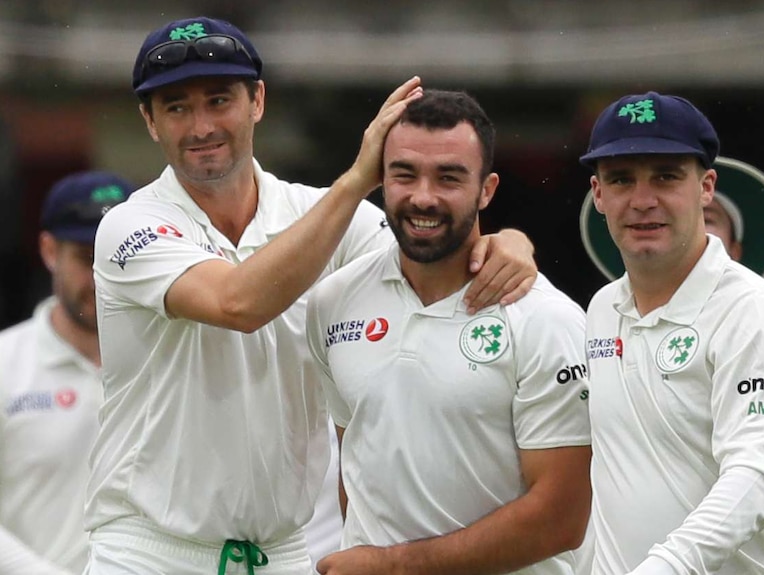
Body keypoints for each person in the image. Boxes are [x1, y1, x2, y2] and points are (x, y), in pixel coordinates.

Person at [84, 16, 538, 575]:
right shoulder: (130, 226)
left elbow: (435, 260)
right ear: (149, 122)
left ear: (257, 102)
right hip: (149, 555)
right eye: (176, 107)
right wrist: (358, 179)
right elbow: (238, 304)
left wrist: (511, 241)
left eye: (219, 100)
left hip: (286, 553)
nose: (200, 125)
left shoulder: (320, 215)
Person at [305, 89, 592, 575]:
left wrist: (393, 566)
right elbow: (357, 467)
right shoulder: (333, 301)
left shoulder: (547, 320)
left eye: (449, 178)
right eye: (404, 174)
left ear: (487, 189)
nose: (423, 196)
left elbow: (561, 519)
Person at [581, 155, 764, 574]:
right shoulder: (601, 315)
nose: (647, 205)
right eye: (623, 180)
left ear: (734, 249)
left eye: (710, 219)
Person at [0, 171, 133, 575]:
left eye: (118, 256)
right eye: (86, 256)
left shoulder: (178, 359)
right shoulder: (5, 364)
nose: (102, 276)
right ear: (49, 250)